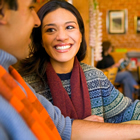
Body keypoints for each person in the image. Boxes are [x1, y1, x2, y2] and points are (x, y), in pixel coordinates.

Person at [2, 0, 140, 139]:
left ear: (81, 35)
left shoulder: (95, 77)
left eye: (69, 27)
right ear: (40, 40)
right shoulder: (24, 85)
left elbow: (128, 111)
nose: (61, 37)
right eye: (50, 29)